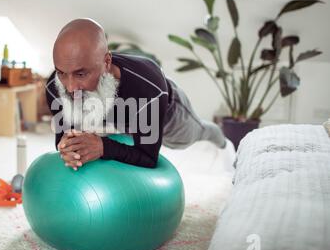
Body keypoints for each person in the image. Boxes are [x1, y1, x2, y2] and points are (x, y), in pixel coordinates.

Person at [45, 18, 230, 170]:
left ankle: (224, 143)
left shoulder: (148, 88)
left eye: (81, 74)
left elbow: (148, 158)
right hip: (124, 118)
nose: (69, 87)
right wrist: (68, 148)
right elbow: (64, 138)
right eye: (61, 72)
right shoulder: (56, 87)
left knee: (196, 134)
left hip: (168, 116)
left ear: (107, 61)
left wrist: (103, 146)